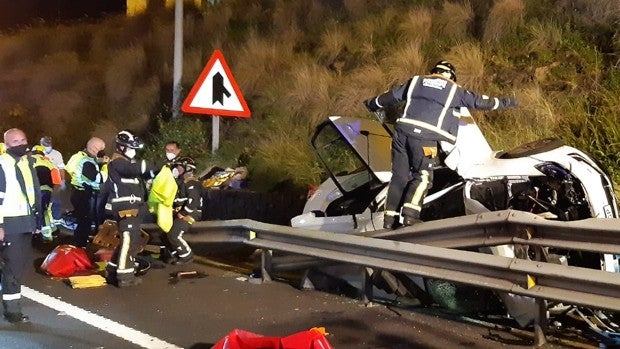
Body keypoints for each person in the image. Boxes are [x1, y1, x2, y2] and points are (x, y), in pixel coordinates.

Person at [364, 60, 518, 229]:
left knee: (399, 177)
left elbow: (390, 97)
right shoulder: (454, 90)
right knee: (422, 176)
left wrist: (371, 103)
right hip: (425, 138)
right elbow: (481, 102)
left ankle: (389, 220)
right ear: (451, 76)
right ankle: (410, 216)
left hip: (401, 134)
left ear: (434, 71)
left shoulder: (415, 81)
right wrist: (509, 102)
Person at [105, 130, 161, 287]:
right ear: (121, 147)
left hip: (133, 209)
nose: (133, 151)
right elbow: (137, 168)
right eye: (130, 148)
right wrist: (159, 163)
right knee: (129, 242)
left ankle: (112, 270)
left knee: (127, 242)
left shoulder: (127, 165)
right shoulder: (118, 163)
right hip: (125, 209)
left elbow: (144, 175)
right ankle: (125, 277)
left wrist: (156, 171)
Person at [0, 128, 42, 323]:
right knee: (13, 267)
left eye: (23, 139)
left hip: (25, 222)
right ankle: (12, 311)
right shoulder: (2, 164)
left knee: (18, 265)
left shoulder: (27, 162)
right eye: (16, 142)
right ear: (7, 145)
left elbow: (34, 194)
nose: (21, 144)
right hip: (9, 223)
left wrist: (37, 222)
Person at [66, 137, 106, 247]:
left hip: (81, 191)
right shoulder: (84, 160)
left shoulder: (83, 157)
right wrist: (106, 166)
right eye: (101, 148)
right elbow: (97, 178)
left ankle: (82, 242)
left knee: (86, 220)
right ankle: (80, 245)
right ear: (94, 148)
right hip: (82, 193)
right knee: (85, 221)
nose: (103, 151)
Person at [161, 156, 202, 264]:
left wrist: (183, 213)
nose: (176, 169)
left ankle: (186, 256)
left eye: (179, 167)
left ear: (187, 168)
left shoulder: (191, 183)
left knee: (174, 234)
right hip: (183, 212)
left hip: (192, 213)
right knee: (165, 231)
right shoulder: (181, 182)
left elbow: (193, 202)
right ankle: (174, 254)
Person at [30, 145, 62, 241]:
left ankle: (45, 235)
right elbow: (57, 180)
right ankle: (53, 230)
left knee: (37, 211)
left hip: (34, 190)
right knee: (46, 210)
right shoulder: (48, 162)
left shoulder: (29, 160)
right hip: (47, 189)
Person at [40, 136, 66, 222]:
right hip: (41, 181)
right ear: (41, 144)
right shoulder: (38, 153)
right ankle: (42, 218)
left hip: (55, 181)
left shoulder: (57, 154)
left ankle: (56, 217)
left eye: (48, 144)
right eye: (45, 145)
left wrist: (63, 180)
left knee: (55, 200)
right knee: (42, 199)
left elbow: (61, 168)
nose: (47, 146)